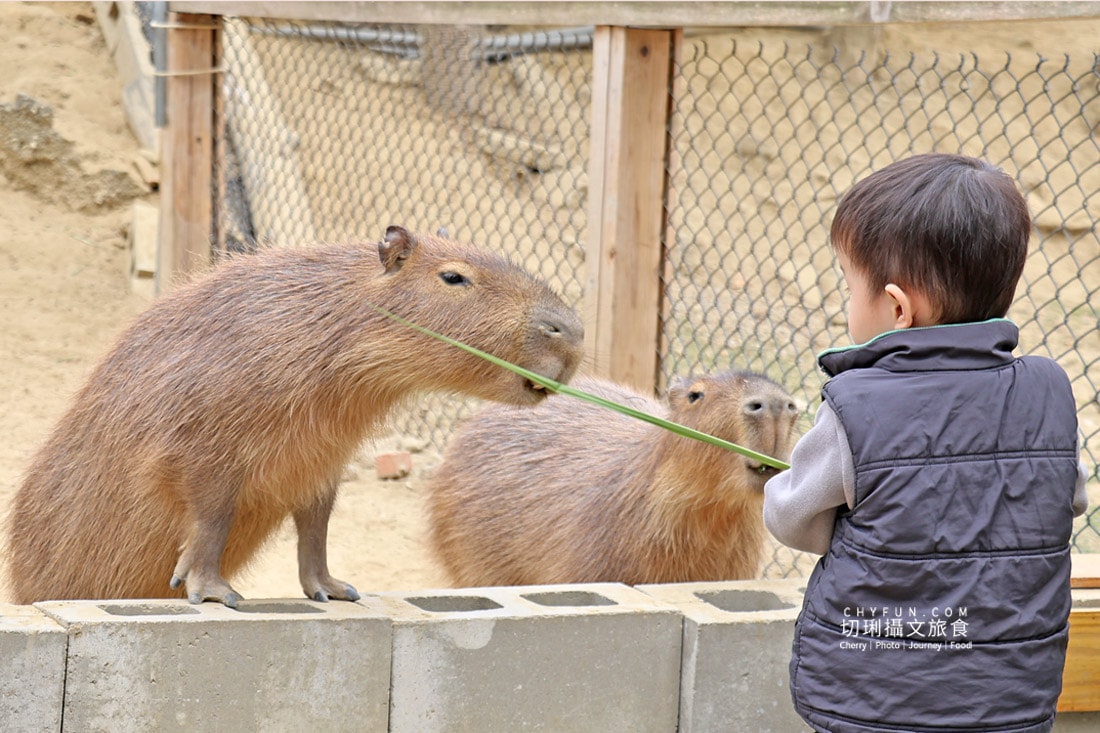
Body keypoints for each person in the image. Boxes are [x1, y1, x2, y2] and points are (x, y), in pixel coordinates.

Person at [763, 152, 1090, 733]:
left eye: (848, 284)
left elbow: (794, 519)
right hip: (1010, 699)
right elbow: (1066, 501)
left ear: (896, 307)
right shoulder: (1050, 392)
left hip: (873, 697)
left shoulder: (856, 405)